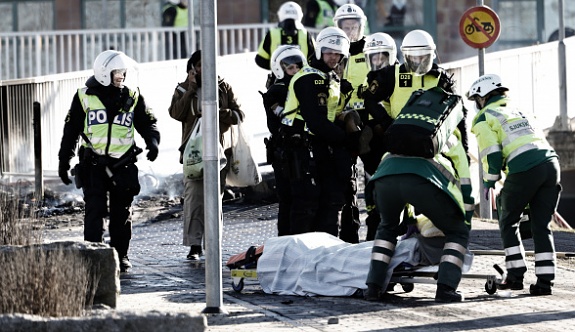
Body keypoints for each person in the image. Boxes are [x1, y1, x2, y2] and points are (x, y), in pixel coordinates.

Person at [362, 29, 474, 240]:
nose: (419, 63)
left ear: (432, 55)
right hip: (396, 141)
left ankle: (423, 238)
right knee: (389, 196)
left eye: (424, 58)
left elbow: (457, 114)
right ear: (405, 56)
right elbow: (370, 98)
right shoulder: (392, 74)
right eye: (414, 59)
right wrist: (387, 123)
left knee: (426, 193)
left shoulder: (441, 78)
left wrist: (464, 152)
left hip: (428, 144)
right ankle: (378, 241)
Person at [57, 50, 160, 272]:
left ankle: (120, 256)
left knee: (122, 213)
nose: (122, 76)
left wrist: (153, 142)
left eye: (123, 72)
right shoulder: (84, 96)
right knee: (95, 212)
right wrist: (63, 161)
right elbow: (71, 131)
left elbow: (147, 122)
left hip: (123, 165)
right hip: (93, 166)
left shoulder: (132, 96)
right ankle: (93, 256)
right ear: (104, 73)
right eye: (118, 72)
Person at [467, 74, 561, 296]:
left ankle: (515, 276)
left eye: (476, 99)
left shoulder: (484, 116)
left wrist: (489, 181)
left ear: (482, 97)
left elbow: (492, 153)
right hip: (551, 165)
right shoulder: (519, 110)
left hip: (525, 169)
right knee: (541, 225)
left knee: (508, 220)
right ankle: (544, 283)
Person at [280, 26, 360, 237]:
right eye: (329, 52)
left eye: (337, 53)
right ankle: (298, 258)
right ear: (319, 51)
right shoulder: (309, 78)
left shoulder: (329, 77)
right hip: (302, 149)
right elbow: (316, 121)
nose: (333, 57)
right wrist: (347, 139)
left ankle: (326, 254)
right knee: (306, 206)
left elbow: (331, 115)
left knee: (329, 203)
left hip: (320, 147)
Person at [168, 50, 244, 260]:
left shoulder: (223, 87)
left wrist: (219, 112)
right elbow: (175, 113)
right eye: (200, 65)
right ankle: (194, 245)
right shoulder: (183, 88)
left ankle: (213, 243)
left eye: (208, 64)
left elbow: (239, 115)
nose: (204, 69)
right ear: (192, 68)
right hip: (193, 152)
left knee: (215, 198)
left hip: (218, 151)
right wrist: (191, 88)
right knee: (193, 198)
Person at [332, 2, 370, 243]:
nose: (349, 32)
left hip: (368, 122)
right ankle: (349, 236)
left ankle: (378, 235)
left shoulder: (371, 51)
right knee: (346, 183)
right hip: (341, 124)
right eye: (345, 28)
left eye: (353, 27)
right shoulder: (332, 53)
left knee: (374, 180)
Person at [260, 45, 307, 236]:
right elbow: (281, 122)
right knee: (288, 200)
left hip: (302, 150)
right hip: (285, 154)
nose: (294, 71)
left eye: (297, 67)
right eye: (290, 68)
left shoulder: (303, 85)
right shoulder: (276, 92)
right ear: (280, 69)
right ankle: (286, 241)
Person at [255, 1, 315, 87]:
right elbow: (315, 58)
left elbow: (260, 60)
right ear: (300, 15)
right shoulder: (306, 34)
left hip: (277, 82)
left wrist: (277, 67)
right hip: (302, 81)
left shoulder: (272, 33)